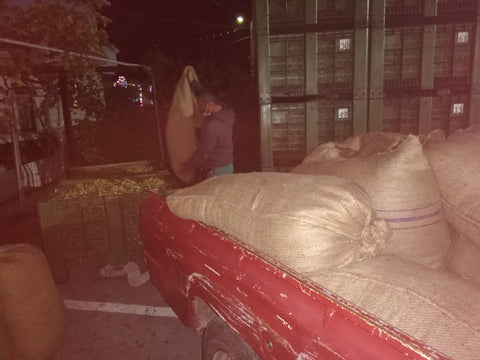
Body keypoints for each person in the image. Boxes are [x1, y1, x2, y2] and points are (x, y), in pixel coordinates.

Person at [184, 73, 235, 182]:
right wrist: (194, 84)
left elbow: (203, 153)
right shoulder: (227, 111)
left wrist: (186, 166)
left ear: (210, 105)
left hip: (216, 171)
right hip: (227, 166)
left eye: (201, 105)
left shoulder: (212, 126)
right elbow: (207, 95)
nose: (199, 108)